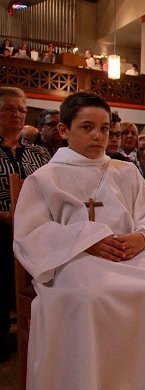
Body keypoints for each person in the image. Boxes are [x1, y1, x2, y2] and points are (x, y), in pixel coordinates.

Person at [12, 91, 145, 390]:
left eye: (104, 128)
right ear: (64, 130)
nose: (98, 136)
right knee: (86, 298)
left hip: (131, 255)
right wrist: (86, 240)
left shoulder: (125, 171)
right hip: (74, 261)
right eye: (87, 127)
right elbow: (31, 233)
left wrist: (142, 237)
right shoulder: (45, 178)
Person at [0, 87, 51, 361]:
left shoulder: (39, 153)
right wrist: (6, 216)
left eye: (21, 109)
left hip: (38, 230)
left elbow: (55, 189)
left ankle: (45, 330)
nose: (16, 114)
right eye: (9, 109)